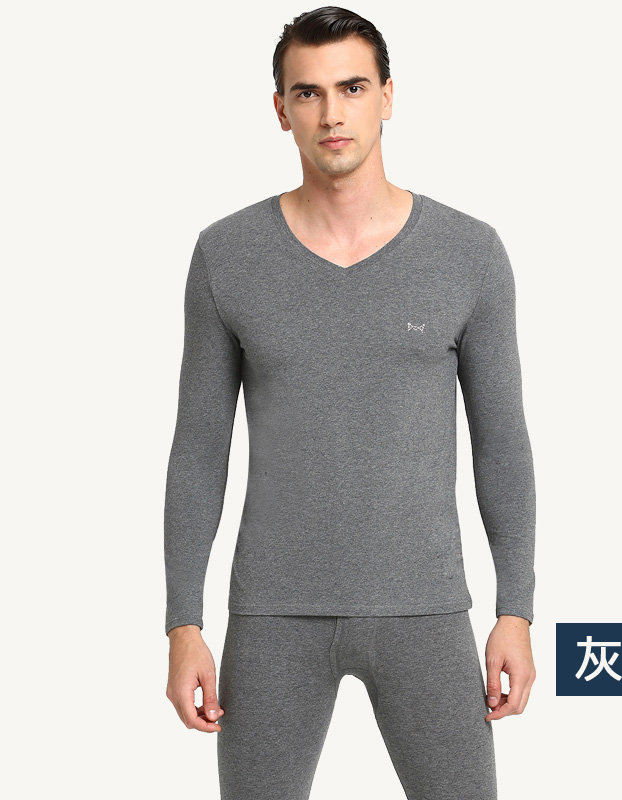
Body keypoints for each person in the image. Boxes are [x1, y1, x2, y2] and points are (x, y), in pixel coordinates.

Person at [164, 6, 537, 799]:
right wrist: (183, 622)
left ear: (388, 97)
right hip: (272, 616)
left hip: (426, 610)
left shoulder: (468, 254)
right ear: (280, 109)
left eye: (353, 88)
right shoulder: (226, 256)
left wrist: (517, 609)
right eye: (308, 93)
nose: (332, 113)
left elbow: (502, 443)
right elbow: (198, 449)